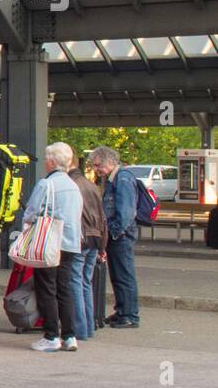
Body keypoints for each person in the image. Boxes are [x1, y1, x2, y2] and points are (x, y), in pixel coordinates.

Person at [22, 143, 83, 353]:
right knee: (64, 288)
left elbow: (31, 212)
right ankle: (69, 335)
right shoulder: (74, 186)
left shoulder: (45, 184)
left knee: (46, 288)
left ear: (52, 161)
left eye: (47, 158)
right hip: (71, 242)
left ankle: (51, 336)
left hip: (49, 242)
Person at [90, 145, 141, 329]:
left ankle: (129, 315)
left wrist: (113, 233)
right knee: (118, 275)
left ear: (109, 162)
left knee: (124, 275)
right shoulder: (115, 179)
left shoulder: (123, 179)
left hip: (121, 236)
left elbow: (126, 213)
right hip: (118, 234)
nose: (97, 170)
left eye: (98, 165)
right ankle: (122, 311)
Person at [68, 160, 107, 343]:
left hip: (80, 238)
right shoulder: (92, 186)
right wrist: (102, 246)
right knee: (86, 282)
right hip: (95, 238)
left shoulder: (71, 186)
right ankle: (89, 327)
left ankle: (79, 329)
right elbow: (102, 217)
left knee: (75, 281)